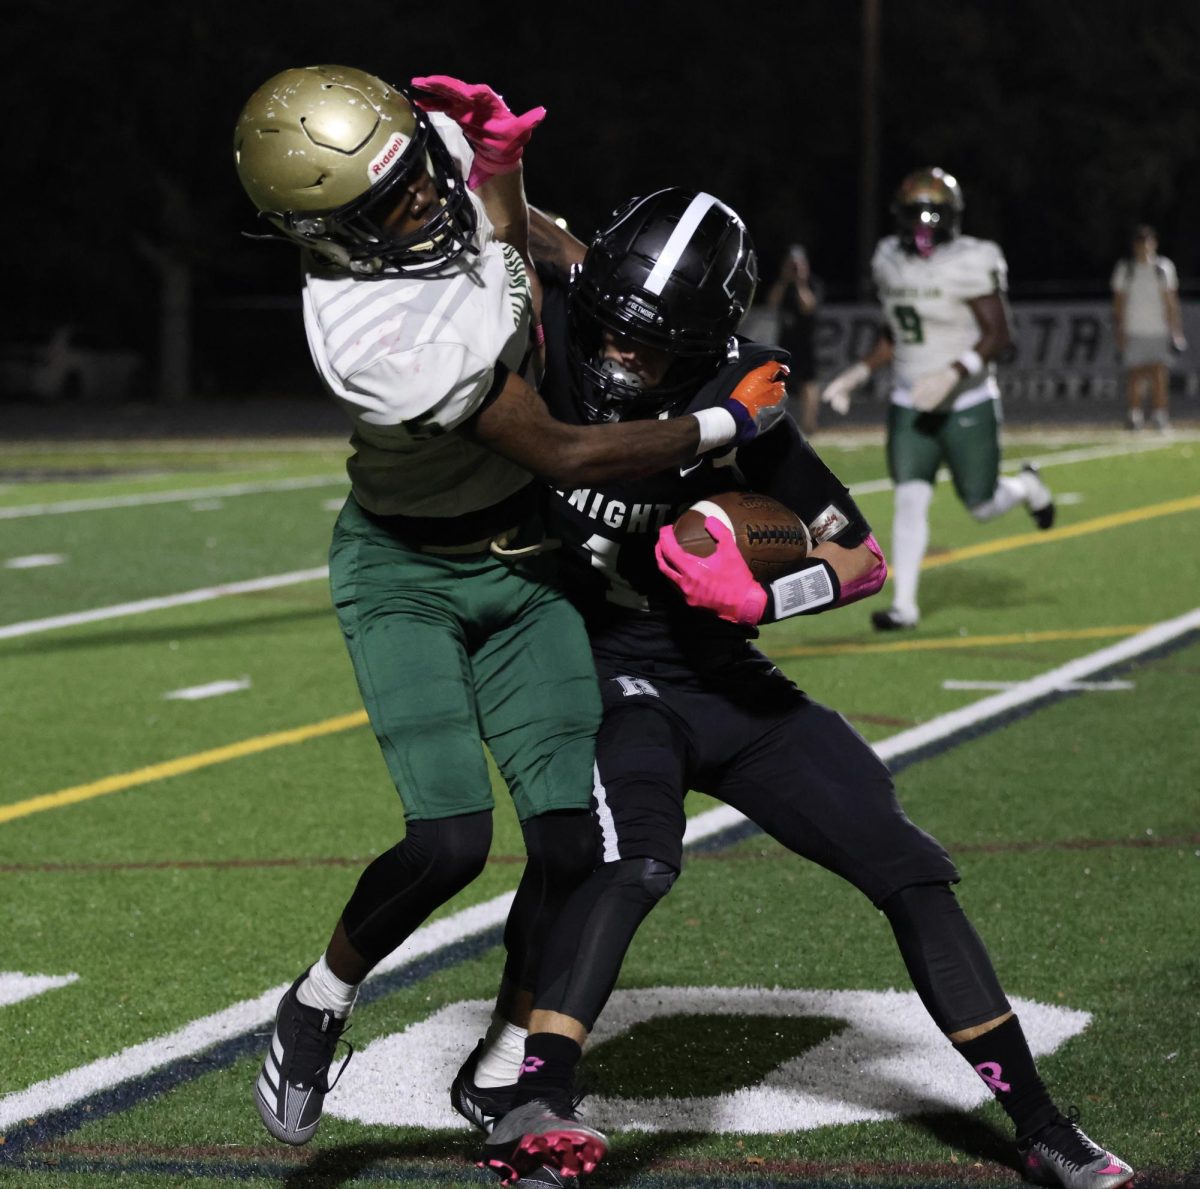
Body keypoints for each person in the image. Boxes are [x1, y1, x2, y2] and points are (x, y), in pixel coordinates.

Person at [450, 188, 1134, 1189]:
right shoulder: (552, 328)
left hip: (721, 674)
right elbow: (519, 244)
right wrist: (496, 176)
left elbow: (861, 559)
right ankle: (540, 1099)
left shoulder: (741, 396)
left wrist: (767, 593)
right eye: (608, 326)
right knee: (635, 860)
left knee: (904, 859)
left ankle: (1037, 1121)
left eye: (648, 344)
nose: (615, 355)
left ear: (699, 345)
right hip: (601, 665)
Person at [231, 66, 787, 1153]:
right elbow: (563, 448)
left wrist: (504, 175)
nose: (423, 201)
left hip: (521, 558)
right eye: (389, 205)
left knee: (572, 840)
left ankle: (506, 1052)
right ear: (324, 231)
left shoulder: (415, 154)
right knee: (446, 841)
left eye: (419, 174)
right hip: (408, 572)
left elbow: (510, 233)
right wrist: (722, 423)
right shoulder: (369, 337)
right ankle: (317, 1005)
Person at [820, 167, 1055, 632]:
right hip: (910, 401)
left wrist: (953, 372)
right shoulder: (888, 258)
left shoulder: (973, 259)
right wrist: (859, 371)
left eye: (932, 214)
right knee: (909, 500)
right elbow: (899, 331)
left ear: (952, 218)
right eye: (914, 214)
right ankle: (904, 605)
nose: (922, 225)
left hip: (966, 401)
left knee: (982, 506)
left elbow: (999, 334)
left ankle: (1027, 487)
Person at [1111, 224, 1187, 431]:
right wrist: (1119, 331)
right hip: (1134, 330)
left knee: (1159, 374)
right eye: (1140, 243)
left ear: (1154, 244)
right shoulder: (1126, 269)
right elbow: (1119, 303)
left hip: (1159, 330)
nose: (1144, 247)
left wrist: (1176, 331)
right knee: (1135, 374)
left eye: (1148, 242)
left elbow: (1171, 301)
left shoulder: (1163, 268)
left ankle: (1160, 416)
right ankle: (1134, 416)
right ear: (1134, 246)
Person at [765, 243, 822, 434]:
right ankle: (778, 425)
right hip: (786, 343)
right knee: (780, 384)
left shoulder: (812, 283)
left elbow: (808, 306)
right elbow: (772, 303)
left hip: (805, 342)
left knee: (808, 382)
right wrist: (784, 279)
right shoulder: (784, 286)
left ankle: (809, 425)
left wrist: (800, 282)